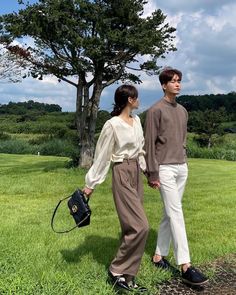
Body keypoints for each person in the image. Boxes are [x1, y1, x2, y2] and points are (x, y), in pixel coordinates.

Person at [144, 67, 208, 286]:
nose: (177, 84)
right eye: (173, 81)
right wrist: (152, 173)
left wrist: (185, 158)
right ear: (164, 85)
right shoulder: (155, 111)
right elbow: (148, 144)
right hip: (164, 169)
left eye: (179, 81)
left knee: (168, 214)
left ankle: (158, 256)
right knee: (176, 213)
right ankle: (185, 265)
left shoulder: (182, 110)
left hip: (182, 168)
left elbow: (182, 138)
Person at [83, 84, 149, 293]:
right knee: (141, 226)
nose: (139, 101)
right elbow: (102, 155)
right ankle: (115, 270)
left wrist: (148, 172)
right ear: (130, 100)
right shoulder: (112, 124)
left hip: (136, 172)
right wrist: (90, 185)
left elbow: (140, 150)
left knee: (131, 227)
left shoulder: (137, 120)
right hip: (121, 171)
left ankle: (128, 277)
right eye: (136, 97)